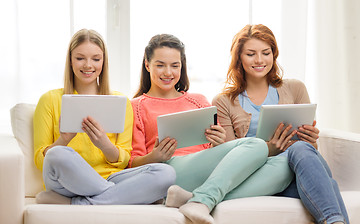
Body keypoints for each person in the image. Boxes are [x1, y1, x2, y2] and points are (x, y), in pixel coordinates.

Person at [130, 34, 295, 224]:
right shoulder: (136, 106)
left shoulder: (198, 101)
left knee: (284, 168)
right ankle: (202, 198)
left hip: (210, 173)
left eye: (175, 65)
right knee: (257, 145)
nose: (168, 72)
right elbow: (131, 163)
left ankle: (194, 198)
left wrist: (217, 142)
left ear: (181, 66)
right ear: (147, 64)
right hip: (170, 170)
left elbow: (214, 155)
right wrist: (156, 156)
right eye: (160, 65)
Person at [212, 24, 349, 224]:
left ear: (274, 54)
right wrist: (268, 149)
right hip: (261, 178)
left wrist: (311, 140)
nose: (259, 60)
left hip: (300, 168)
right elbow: (230, 160)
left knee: (301, 148)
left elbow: (310, 151)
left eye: (266, 53)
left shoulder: (295, 88)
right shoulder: (223, 101)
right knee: (328, 185)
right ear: (239, 58)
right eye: (251, 54)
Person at [33, 29, 175, 205]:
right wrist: (64, 139)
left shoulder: (119, 101)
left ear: (103, 62)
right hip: (66, 183)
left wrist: (104, 144)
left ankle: (79, 202)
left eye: (96, 59)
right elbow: (42, 161)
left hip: (112, 178)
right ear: (70, 61)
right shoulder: (49, 100)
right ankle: (122, 196)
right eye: (80, 58)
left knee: (165, 173)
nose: (88, 65)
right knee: (57, 154)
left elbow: (124, 162)